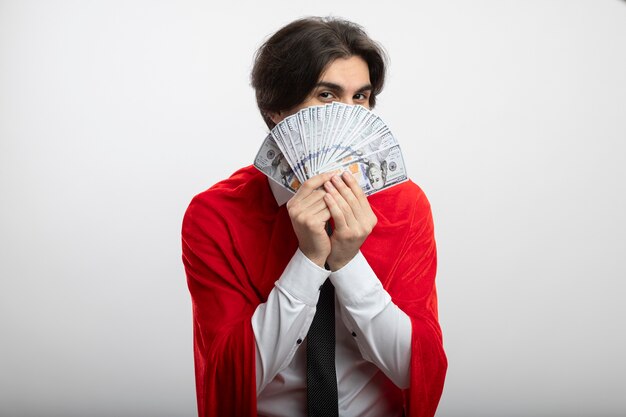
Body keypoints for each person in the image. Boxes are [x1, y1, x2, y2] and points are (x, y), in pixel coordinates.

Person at [181, 16, 447, 417]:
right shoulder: (215, 215)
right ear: (275, 109)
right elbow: (232, 379)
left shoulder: (406, 206)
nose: (349, 117)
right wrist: (307, 261)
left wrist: (347, 261)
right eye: (326, 95)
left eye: (361, 98)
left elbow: (416, 369)